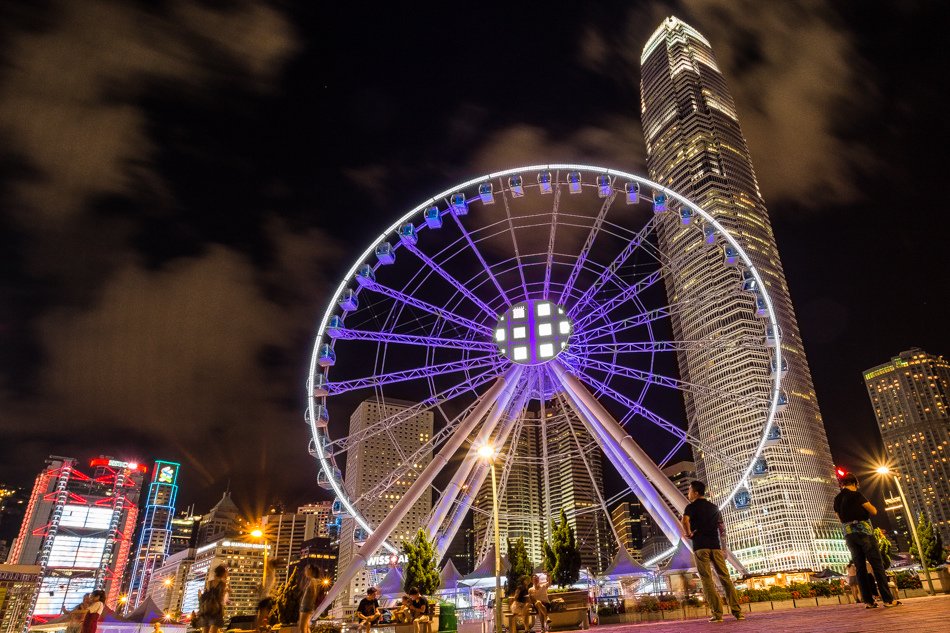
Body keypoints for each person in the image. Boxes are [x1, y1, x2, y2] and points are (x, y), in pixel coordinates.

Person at [833, 473, 900, 608]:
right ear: (855, 483)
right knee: (877, 565)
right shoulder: (858, 495)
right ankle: (887, 600)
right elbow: (873, 511)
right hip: (864, 533)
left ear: (842, 484)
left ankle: (868, 602)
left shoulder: (838, 498)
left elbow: (839, 517)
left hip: (849, 535)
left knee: (860, 568)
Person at [681, 480, 744, 623]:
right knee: (725, 578)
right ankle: (737, 612)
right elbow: (722, 529)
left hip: (701, 547)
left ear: (696, 493)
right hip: (715, 547)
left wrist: (689, 533)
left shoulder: (690, 507)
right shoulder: (714, 507)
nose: (688, 493)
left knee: (707, 580)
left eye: (689, 490)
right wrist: (724, 548)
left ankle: (717, 614)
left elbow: (684, 521)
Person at [198, 565, 228, 633]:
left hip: (207, 609)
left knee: (205, 631)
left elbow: (206, 594)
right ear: (223, 573)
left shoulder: (210, 582)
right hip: (216, 610)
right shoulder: (222, 584)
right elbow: (221, 598)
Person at [256, 559, 281, 632]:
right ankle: (262, 627)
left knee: (261, 615)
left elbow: (269, 567)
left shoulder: (271, 573)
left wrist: (267, 561)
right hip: (264, 597)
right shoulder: (271, 574)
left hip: (265, 598)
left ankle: (258, 628)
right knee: (262, 615)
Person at [298, 565, 318, 633]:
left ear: (310, 570)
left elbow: (313, 595)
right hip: (306, 606)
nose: (305, 572)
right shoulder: (312, 581)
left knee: (302, 628)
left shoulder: (313, 581)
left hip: (306, 607)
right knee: (306, 627)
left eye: (306, 570)